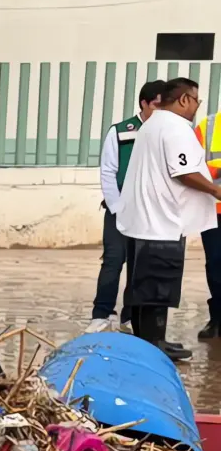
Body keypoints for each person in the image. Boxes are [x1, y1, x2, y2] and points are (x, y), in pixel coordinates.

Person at [116, 76, 221, 362]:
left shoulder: (153, 124)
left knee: (143, 286)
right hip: (162, 222)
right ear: (184, 99)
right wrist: (216, 190)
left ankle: (147, 341)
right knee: (157, 287)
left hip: (145, 220)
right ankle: (154, 344)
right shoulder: (175, 128)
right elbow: (183, 172)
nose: (197, 107)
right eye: (196, 100)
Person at [91, 80, 165, 333]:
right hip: (119, 210)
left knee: (140, 266)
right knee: (113, 261)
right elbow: (108, 172)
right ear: (144, 103)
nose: (162, 110)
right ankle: (101, 315)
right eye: (157, 105)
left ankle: (129, 318)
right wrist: (116, 206)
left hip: (150, 213)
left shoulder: (168, 133)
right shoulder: (122, 132)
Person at [193, 90, 221, 338]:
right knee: (215, 265)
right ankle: (218, 319)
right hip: (214, 210)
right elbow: (191, 167)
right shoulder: (208, 126)